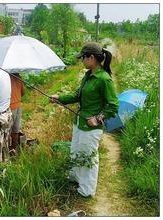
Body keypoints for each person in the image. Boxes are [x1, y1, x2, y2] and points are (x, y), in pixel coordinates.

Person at [51, 42, 119, 197]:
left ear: (92, 58)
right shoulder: (88, 75)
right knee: (76, 151)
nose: (82, 60)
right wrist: (59, 98)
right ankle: (75, 178)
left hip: (91, 127)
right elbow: (77, 96)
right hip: (79, 122)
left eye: (83, 57)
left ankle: (87, 190)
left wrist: (98, 118)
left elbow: (113, 105)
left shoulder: (104, 79)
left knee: (89, 156)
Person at [9, 73, 25, 156]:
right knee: (16, 129)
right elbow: (23, 92)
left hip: (9, 106)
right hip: (18, 104)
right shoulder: (18, 76)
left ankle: (7, 149)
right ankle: (13, 149)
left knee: (7, 130)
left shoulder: (4, 76)